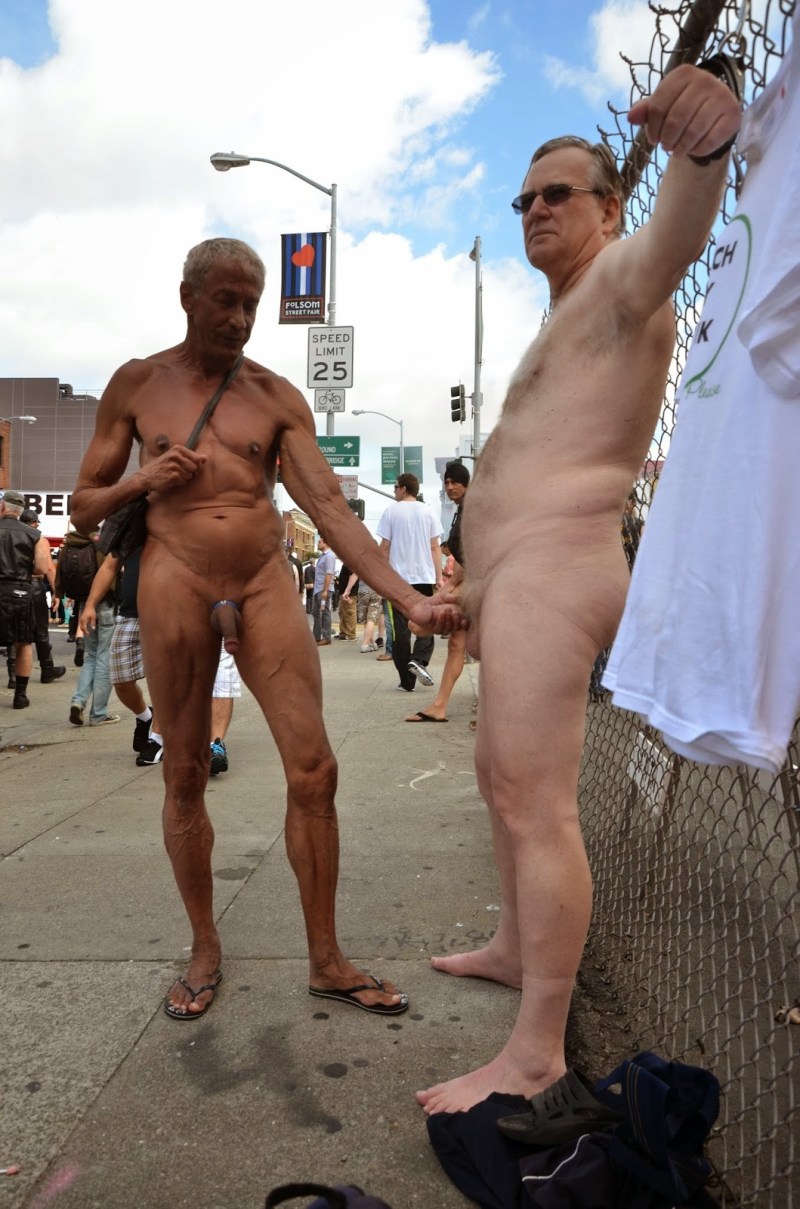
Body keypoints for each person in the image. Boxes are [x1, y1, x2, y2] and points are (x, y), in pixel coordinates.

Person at [415, 67, 741, 1114]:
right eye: (523, 199)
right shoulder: (565, 313)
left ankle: (536, 1052)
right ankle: (517, 947)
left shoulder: (617, 280)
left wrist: (698, 146)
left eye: (558, 193)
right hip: (513, 576)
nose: (537, 210)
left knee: (534, 800)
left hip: (559, 564)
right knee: (496, 779)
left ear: (607, 207)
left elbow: (675, 240)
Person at [70, 236, 463, 1021]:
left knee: (314, 769)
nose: (242, 317)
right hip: (175, 578)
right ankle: (204, 945)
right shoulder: (137, 384)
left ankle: (326, 957)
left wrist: (409, 602)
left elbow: (329, 511)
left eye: (252, 303)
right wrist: (146, 478)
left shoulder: (277, 397)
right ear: (189, 297)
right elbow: (83, 504)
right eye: (227, 299)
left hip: (261, 579)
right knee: (183, 772)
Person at [406, 461, 469, 724]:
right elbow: (466, 557)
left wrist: (458, 589)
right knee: (455, 644)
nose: (450, 486)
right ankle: (440, 705)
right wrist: (450, 586)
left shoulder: (475, 509)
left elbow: (478, 554)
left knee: (425, 627)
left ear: (466, 483)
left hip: (482, 588)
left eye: (455, 482)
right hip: (471, 585)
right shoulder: (461, 511)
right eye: (447, 482)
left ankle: (440, 705)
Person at [376, 472, 443, 692]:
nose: (394, 491)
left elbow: (384, 547)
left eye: (395, 487)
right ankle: (419, 660)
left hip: (397, 581)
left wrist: (379, 576)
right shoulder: (429, 511)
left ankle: (407, 681)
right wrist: (439, 577)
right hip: (424, 578)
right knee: (426, 622)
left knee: (400, 632)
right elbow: (435, 547)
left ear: (403, 488)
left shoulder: (391, 512)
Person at [0, 489, 50, 709]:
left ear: (3, 507)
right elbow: (41, 568)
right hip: (20, 590)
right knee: (24, 644)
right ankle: (20, 696)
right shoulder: (34, 535)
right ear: (20, 511)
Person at [7, 510, 66, 686]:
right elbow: (48, 568)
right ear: (34, 523)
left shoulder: (7, 535)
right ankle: (47, 669)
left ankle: (13, 676)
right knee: (40, 631)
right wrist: (57, 593)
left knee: (13, 630)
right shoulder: (38, 538)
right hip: (34, 588)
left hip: (11, 587)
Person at [68, 542, 120, 728]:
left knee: (91, 656)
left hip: (85, 604)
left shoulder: (75, 541)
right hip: (107, 605)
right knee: (104, 657)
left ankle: (78, 701)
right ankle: (98, 714)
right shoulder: (106, 544)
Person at [312, 539, 336, 646]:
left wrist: (325, 590)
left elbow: (329, 574)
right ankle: (316, 636)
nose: (318, 543)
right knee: (315, 612)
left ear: (326, 543)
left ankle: (326, 637)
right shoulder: (322, 556)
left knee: (325, 612)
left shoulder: (329, 556)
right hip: (318, 589)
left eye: (320, 542)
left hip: (323, 589)